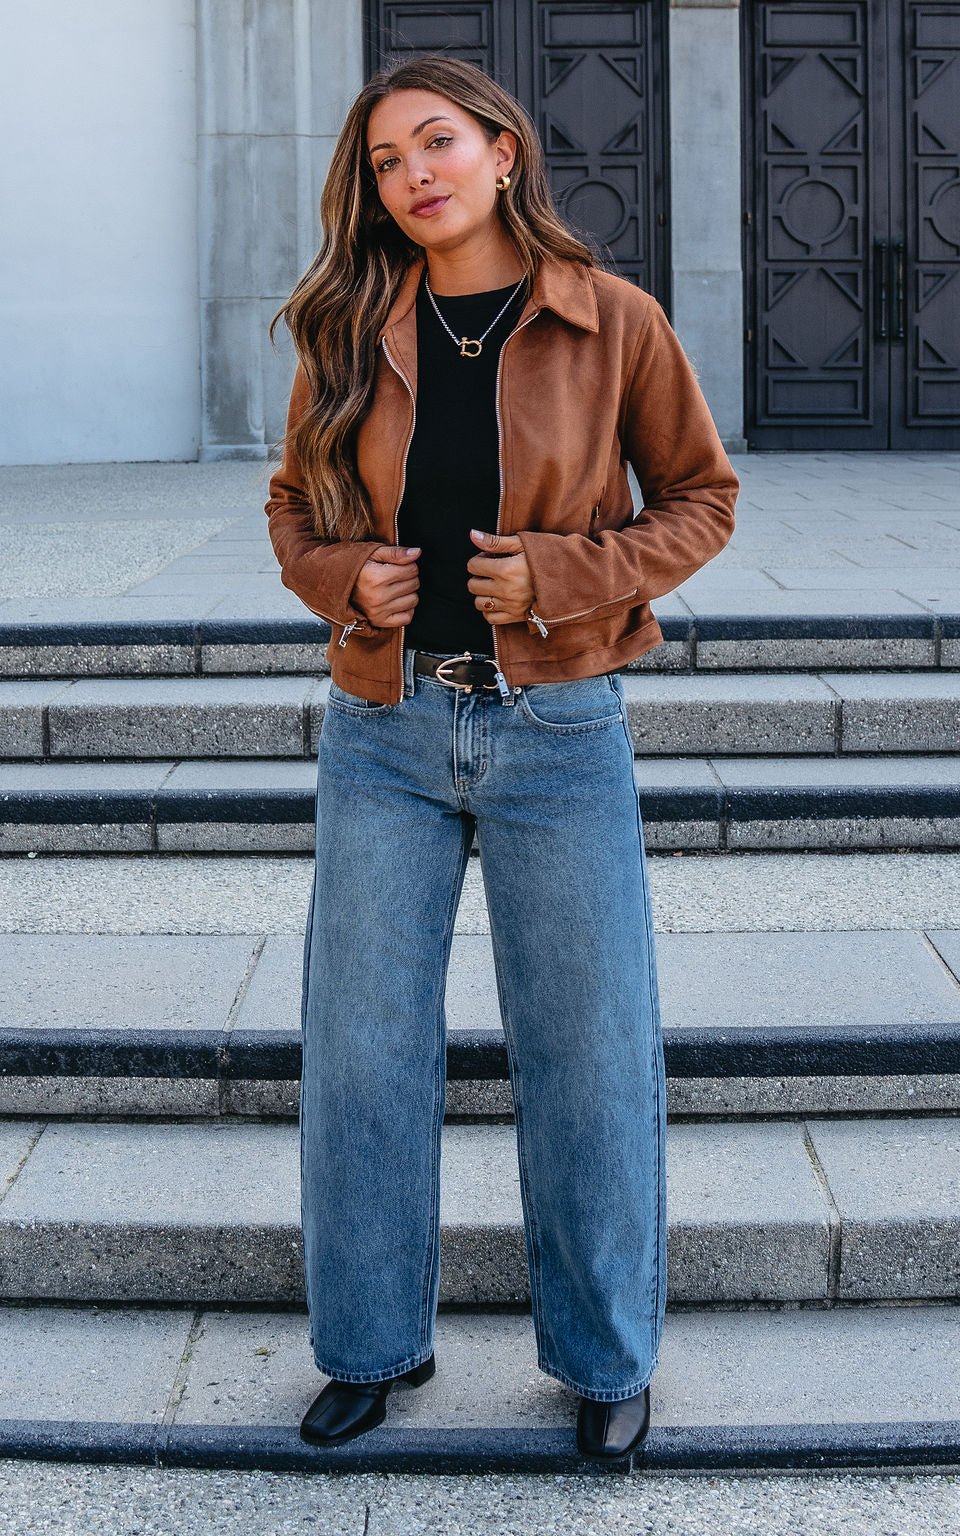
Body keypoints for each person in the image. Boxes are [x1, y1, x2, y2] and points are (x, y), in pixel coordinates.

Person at [264, 52, 739, 1466]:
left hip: (559, 727)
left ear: (505, 151)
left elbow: (703, 500)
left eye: (438, 143)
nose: (415, 174)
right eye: (388, 160)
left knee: (591, 1054)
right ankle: (368, 1347)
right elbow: (292, 509)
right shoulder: (349, 326)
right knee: (361, 1052)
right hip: (386, 729)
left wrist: (566, 575)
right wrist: (350, 580)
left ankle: (605, 1360)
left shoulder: (614, 321)